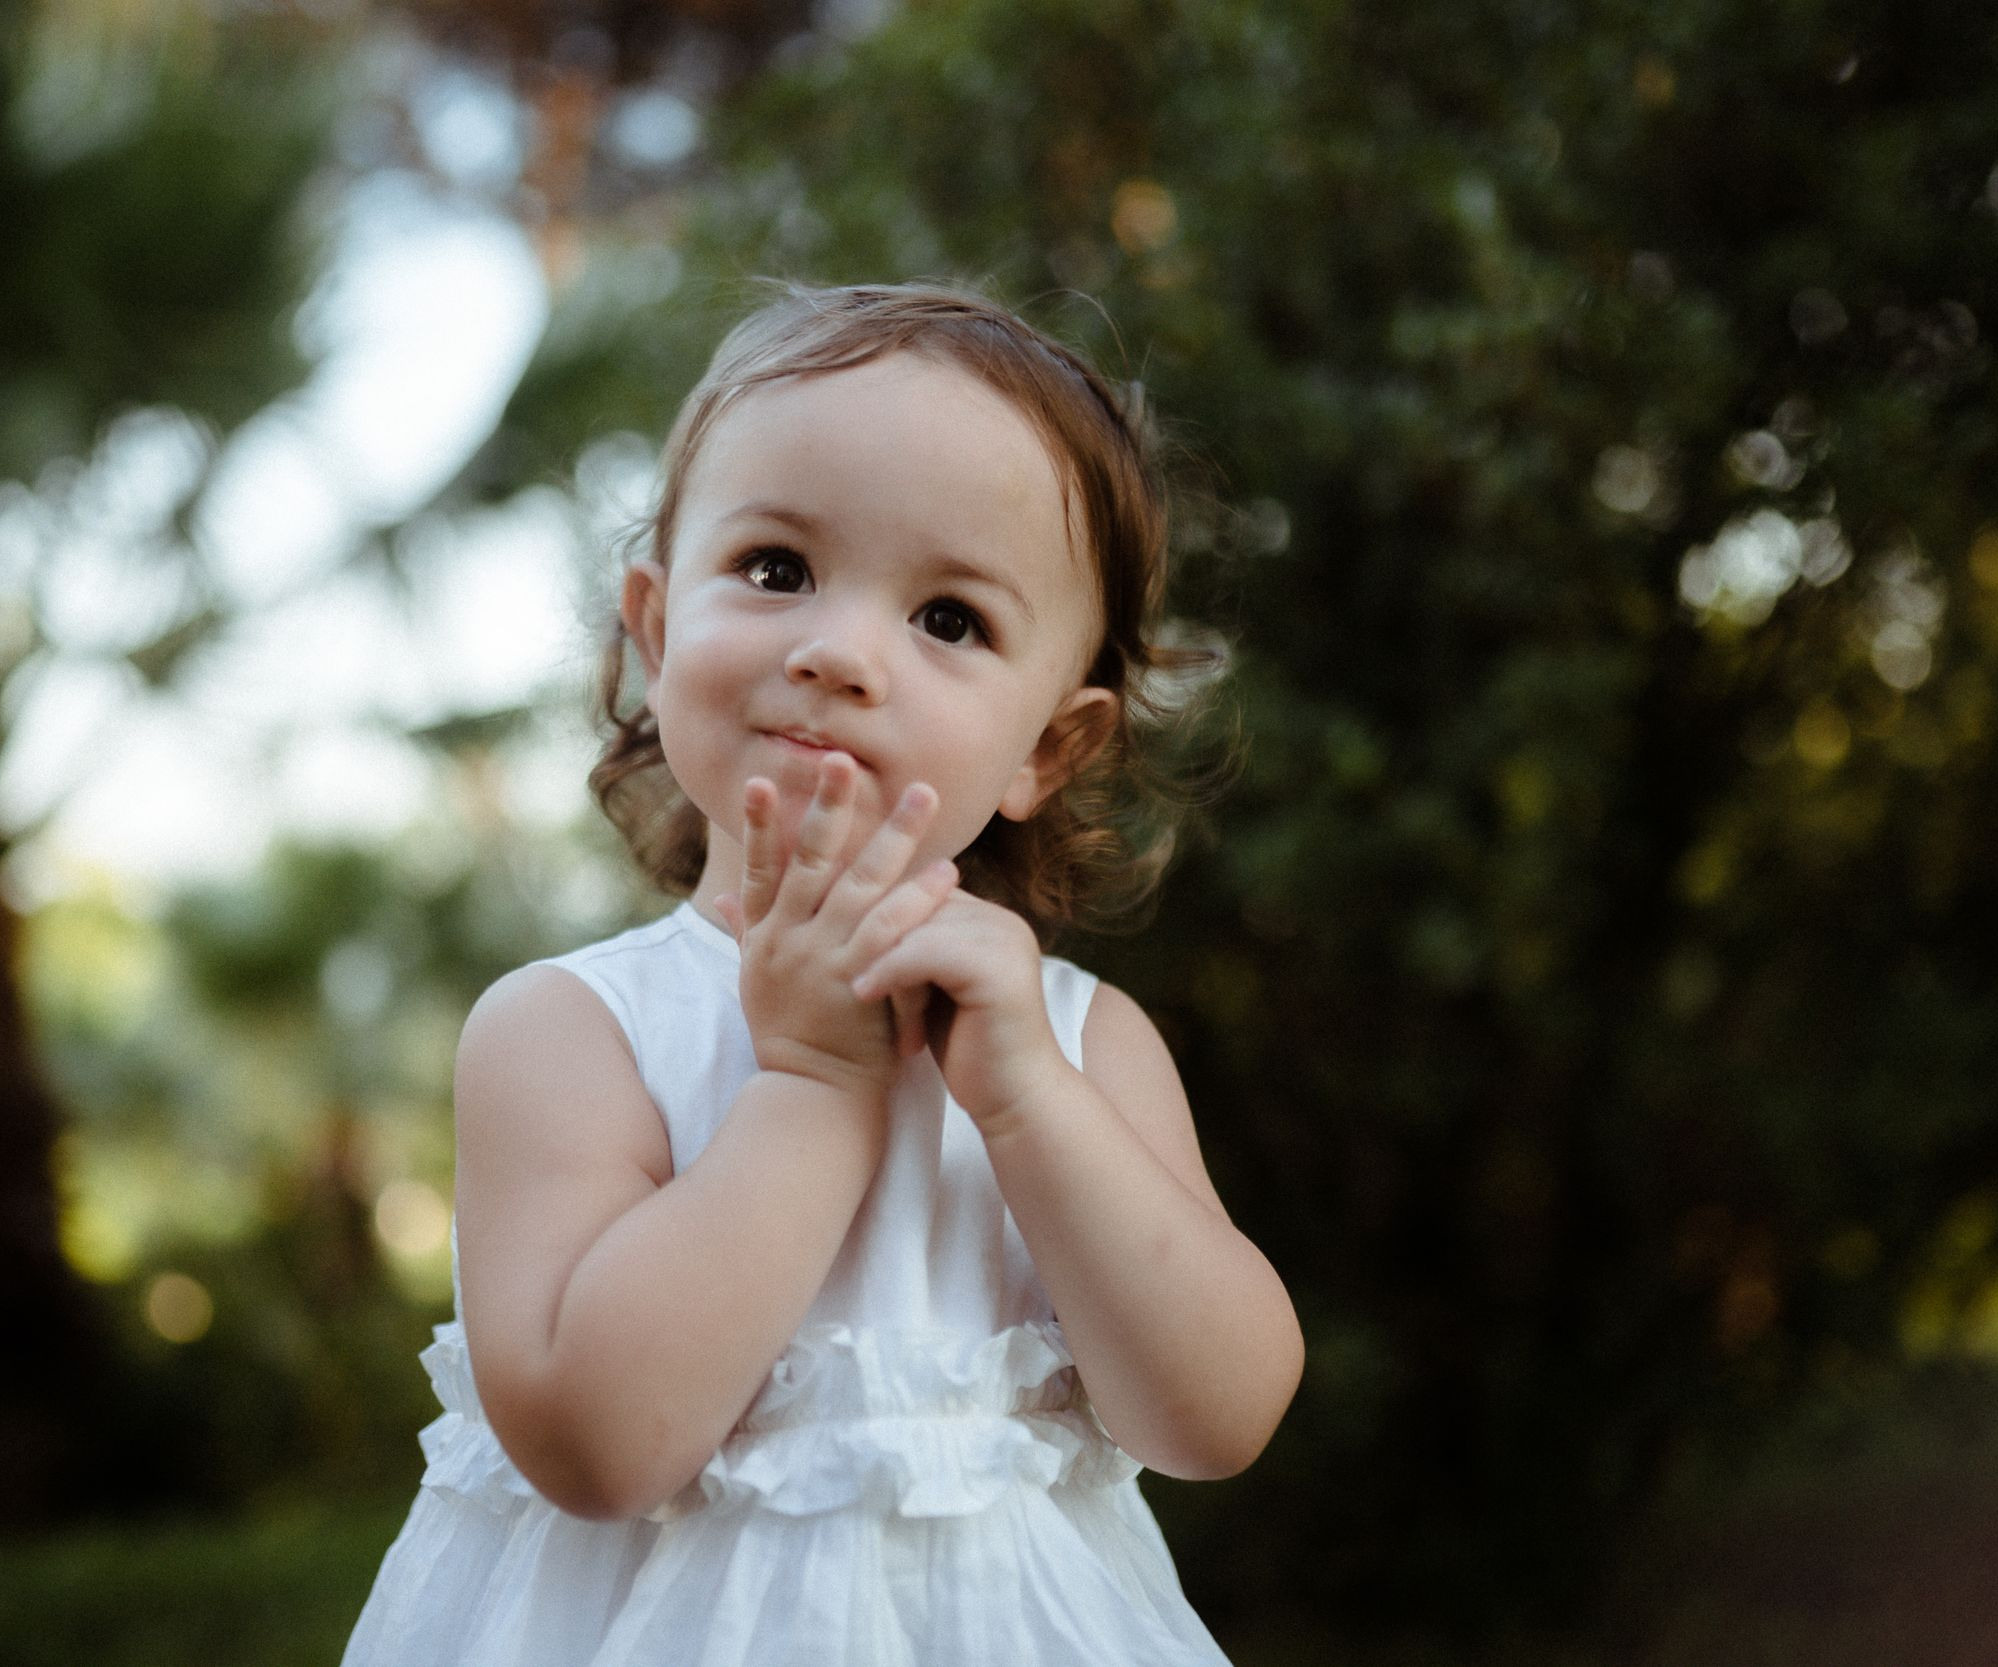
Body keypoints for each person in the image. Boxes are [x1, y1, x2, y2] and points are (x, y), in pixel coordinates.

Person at [341, 280, 1303, 1666]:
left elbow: (1213, 1421)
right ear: (657, 630)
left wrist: (1029, 1101)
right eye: (779, 568)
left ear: (1053, 744)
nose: (840, 652)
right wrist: (811, 1081)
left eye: (952, 620)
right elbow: (601, 1446)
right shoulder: (571, 1035)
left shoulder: (1079, 1044)